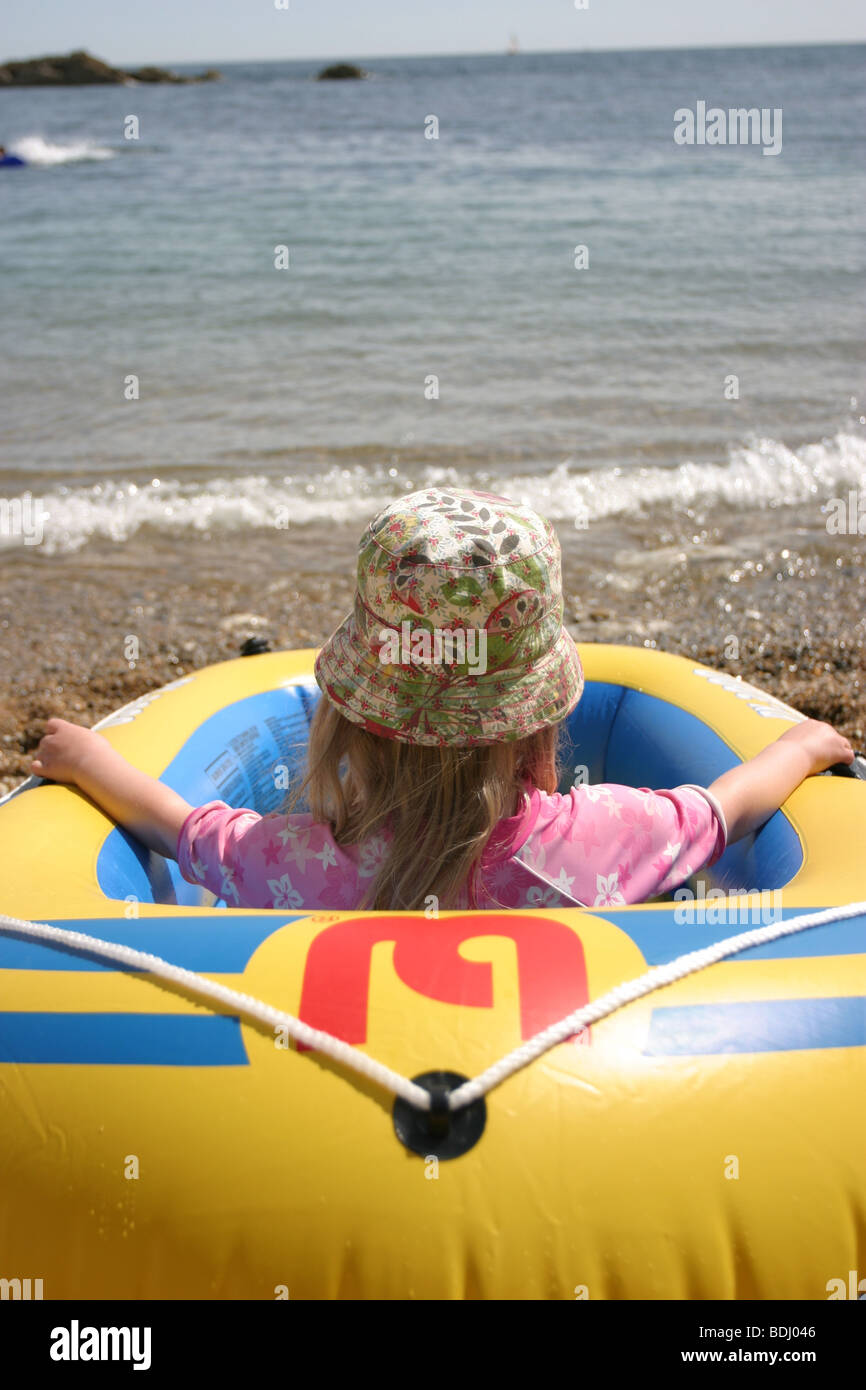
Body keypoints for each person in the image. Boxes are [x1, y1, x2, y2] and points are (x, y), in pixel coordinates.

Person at [32, 487, 854, 911]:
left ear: (350, 727)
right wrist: (800, 748)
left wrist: (87, 759)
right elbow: (722, 812)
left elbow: (184, 830)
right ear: (540, 724)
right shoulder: (607, 835)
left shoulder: (290, 861)